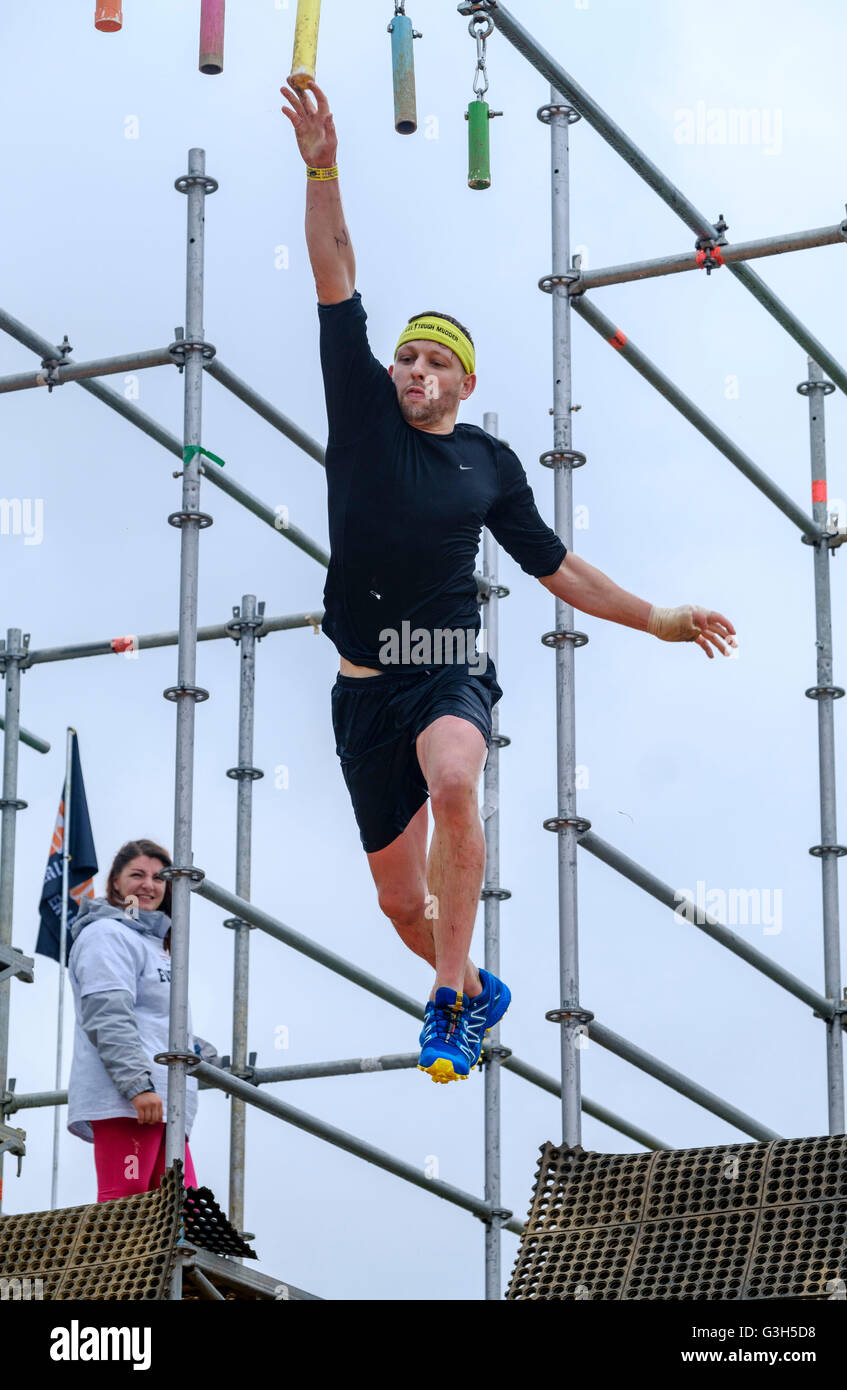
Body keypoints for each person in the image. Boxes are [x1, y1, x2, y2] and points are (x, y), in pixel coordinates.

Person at [278, 79, 738, 1086]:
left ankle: (447, 1007)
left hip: (444, 663)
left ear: (464, 383)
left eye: (431, 360)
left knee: (454, 778)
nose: (410, 368)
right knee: (402, 906)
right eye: (403, 355)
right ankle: (472, 982)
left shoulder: (485, 462)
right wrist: (322, 165)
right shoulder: (359, 413)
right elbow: (335, 268)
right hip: (362, 683)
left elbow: (555, 565)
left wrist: (657, 617)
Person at [67, 838, 220, 1201]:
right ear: (115, 882)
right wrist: (138, 1086)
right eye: (137, 875)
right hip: (131, 1099)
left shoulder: (157, 946)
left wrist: (214, 1062)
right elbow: (108, 1015)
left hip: (166, 1100)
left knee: (181, 1213)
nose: (148, 885)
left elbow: (162, 1025)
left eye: (158, 877)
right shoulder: (107, 935)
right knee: (127, 1212)